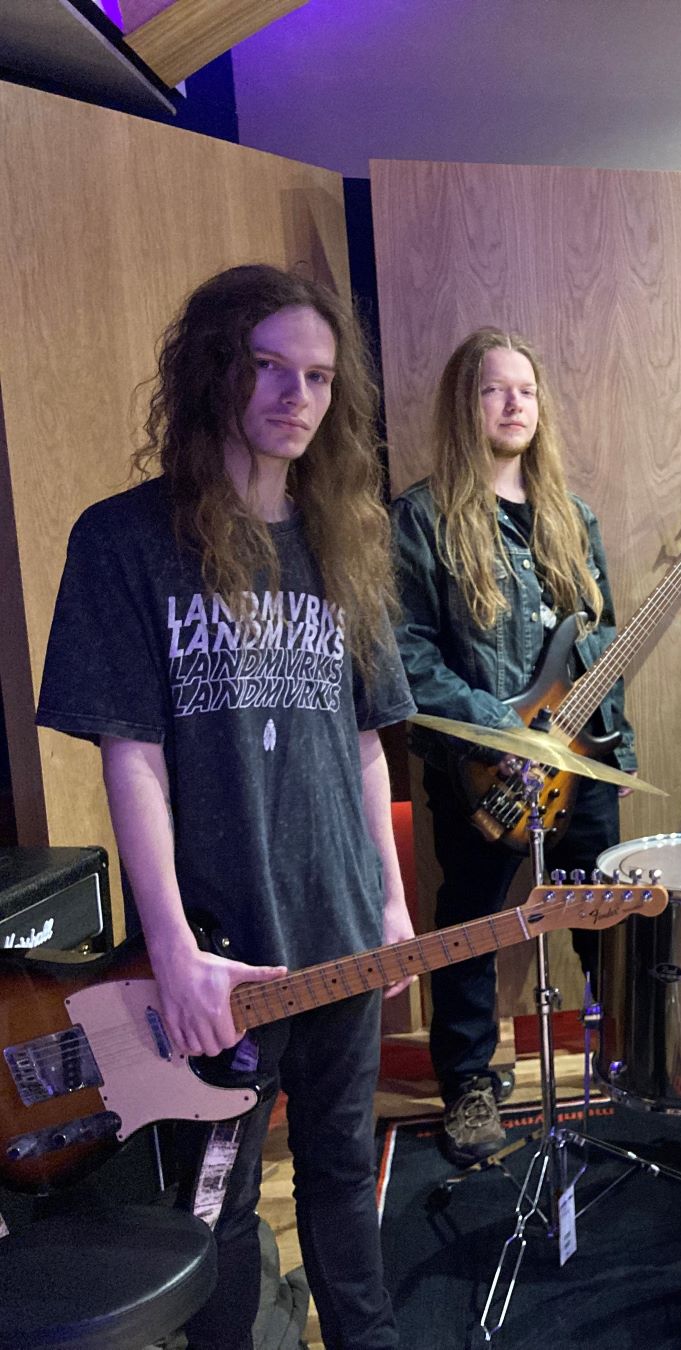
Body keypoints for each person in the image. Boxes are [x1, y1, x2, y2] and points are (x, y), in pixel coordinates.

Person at [35, 264, 414, 1348]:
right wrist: (173, 954)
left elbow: (364, 743)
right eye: (268, 369)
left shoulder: (349, 538)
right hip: (219, 953)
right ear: (214, 374)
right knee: (223, 1207)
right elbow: (132, 757)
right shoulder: (125, 542)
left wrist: (389, 912)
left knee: (344, 1181)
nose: (297, 397)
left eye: (318, 377)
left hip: (341, 935)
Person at [391, 329, 635, 1166]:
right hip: (481, 766)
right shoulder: (422, 520)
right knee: (471, 920)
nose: (513, 404)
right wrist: (500, 728)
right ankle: (467, 1086)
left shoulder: (575, 519)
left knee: (606, 910)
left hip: (580, 759)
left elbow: (599, 649)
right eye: (494, 390)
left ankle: (626, 1058)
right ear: (467, 405)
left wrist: (619, 753)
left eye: (525, 390)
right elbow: (406, 654)